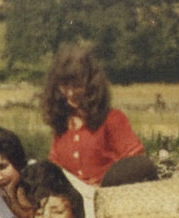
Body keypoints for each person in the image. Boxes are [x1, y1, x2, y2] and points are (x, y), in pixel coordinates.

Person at [42, 43, 145, 188]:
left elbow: (136, 162)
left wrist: (105, 184)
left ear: (91, 85)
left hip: (110, 195)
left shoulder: (112, 119)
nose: (70, 93)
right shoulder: (62, 124)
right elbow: (55, 166)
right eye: (65, 86)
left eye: (77, 86)